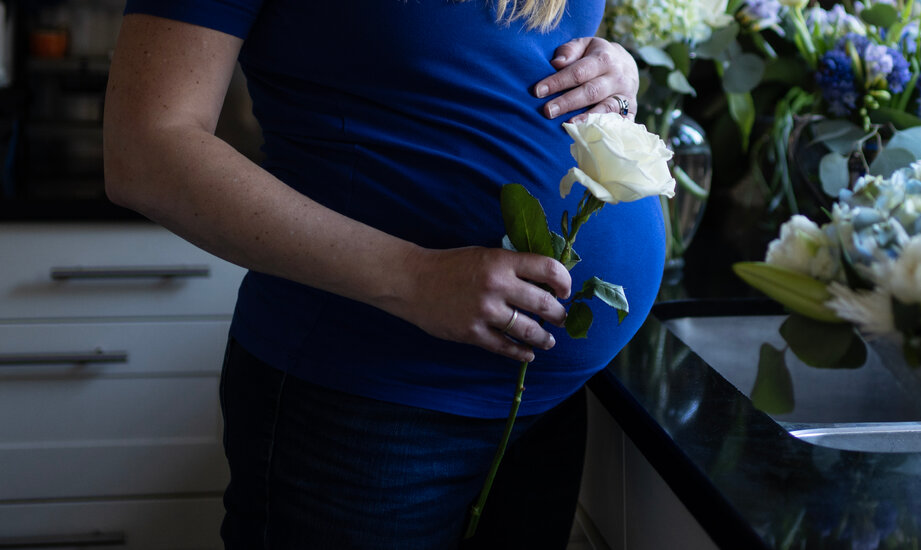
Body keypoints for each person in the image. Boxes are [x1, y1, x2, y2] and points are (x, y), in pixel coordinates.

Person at [102, 0, 666, 548]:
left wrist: (614, 74)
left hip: (544, 402)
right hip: (365, 405)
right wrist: (414, 276)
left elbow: (500, 61)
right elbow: (146, 148)